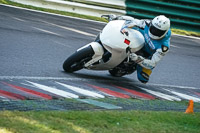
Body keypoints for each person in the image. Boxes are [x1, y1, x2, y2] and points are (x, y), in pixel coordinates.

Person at [105, 14, 171, 83]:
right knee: (131, 26)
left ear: (165, 32)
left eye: (158, 31)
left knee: (143, 78)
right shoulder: (147, 23)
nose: (155, 32)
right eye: (153, 29)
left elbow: (152, 63)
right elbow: (134, 21)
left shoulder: (164, 46)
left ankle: (132, 66)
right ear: (151, 25)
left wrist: (138, 59)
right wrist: (118, 18)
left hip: (146, 55)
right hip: (137, 39)